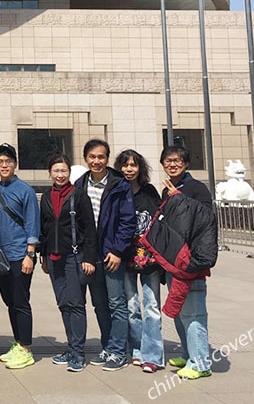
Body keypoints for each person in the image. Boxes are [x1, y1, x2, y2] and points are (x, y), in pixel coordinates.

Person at [74, 139, 136, 371]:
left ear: (107, 159)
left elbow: (127, 222)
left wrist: (118, 251)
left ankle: (119, 352)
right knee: (100, 304)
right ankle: (108, 347)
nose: (96, 161)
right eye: (92, 157)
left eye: (101, 157)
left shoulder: (120, 185)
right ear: (86, 158)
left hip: (112, 254)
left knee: (116, 303)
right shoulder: (80, 184)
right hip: (91, 254)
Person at [158, 145, 216, 380]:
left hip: (191, 261)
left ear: (187, 163)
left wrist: (179, 199)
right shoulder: (168, 189)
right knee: (181, 311)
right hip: (174, 261)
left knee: (194, 313)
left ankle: (201, 362)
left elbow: (205, 218)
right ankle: (187, 352)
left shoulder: (196, 188)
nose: (173, 164)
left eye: (178, 160)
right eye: (168, 161)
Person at [39, 154, 98, 373]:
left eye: (64, 171)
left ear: (69, 173)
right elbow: (44, 229)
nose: (60, 175)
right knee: (63, 303)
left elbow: (90, 229)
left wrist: (89, 258)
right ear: (50, 173)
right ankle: (70, 347)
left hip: (75, 257)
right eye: (56, 171)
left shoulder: (79, 196)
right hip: (54, 258)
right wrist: (43, 257)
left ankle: (78, 353)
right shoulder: (46, 197)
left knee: (76, 304)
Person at [113, 149, 164, 373]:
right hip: (125, 257)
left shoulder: (150, 191)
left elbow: (160, 220)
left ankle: (152, 355)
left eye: (133, 165)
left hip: (150, 258)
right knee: (131, 306)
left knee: (152, 306)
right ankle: (136, 349)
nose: (129, 169)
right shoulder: (116, 192)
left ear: (140, 168)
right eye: (125, 165)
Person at [0, 143, 40, 369]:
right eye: (0, 161)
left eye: (8, 161)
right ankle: (18, 344)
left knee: (21, 302)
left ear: (15, 164)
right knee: (10, 302)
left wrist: (30, 254)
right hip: (2, 256)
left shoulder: (26, 191)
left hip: (20, 255)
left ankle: (27, 349)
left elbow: (32, 224)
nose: (4, 165)